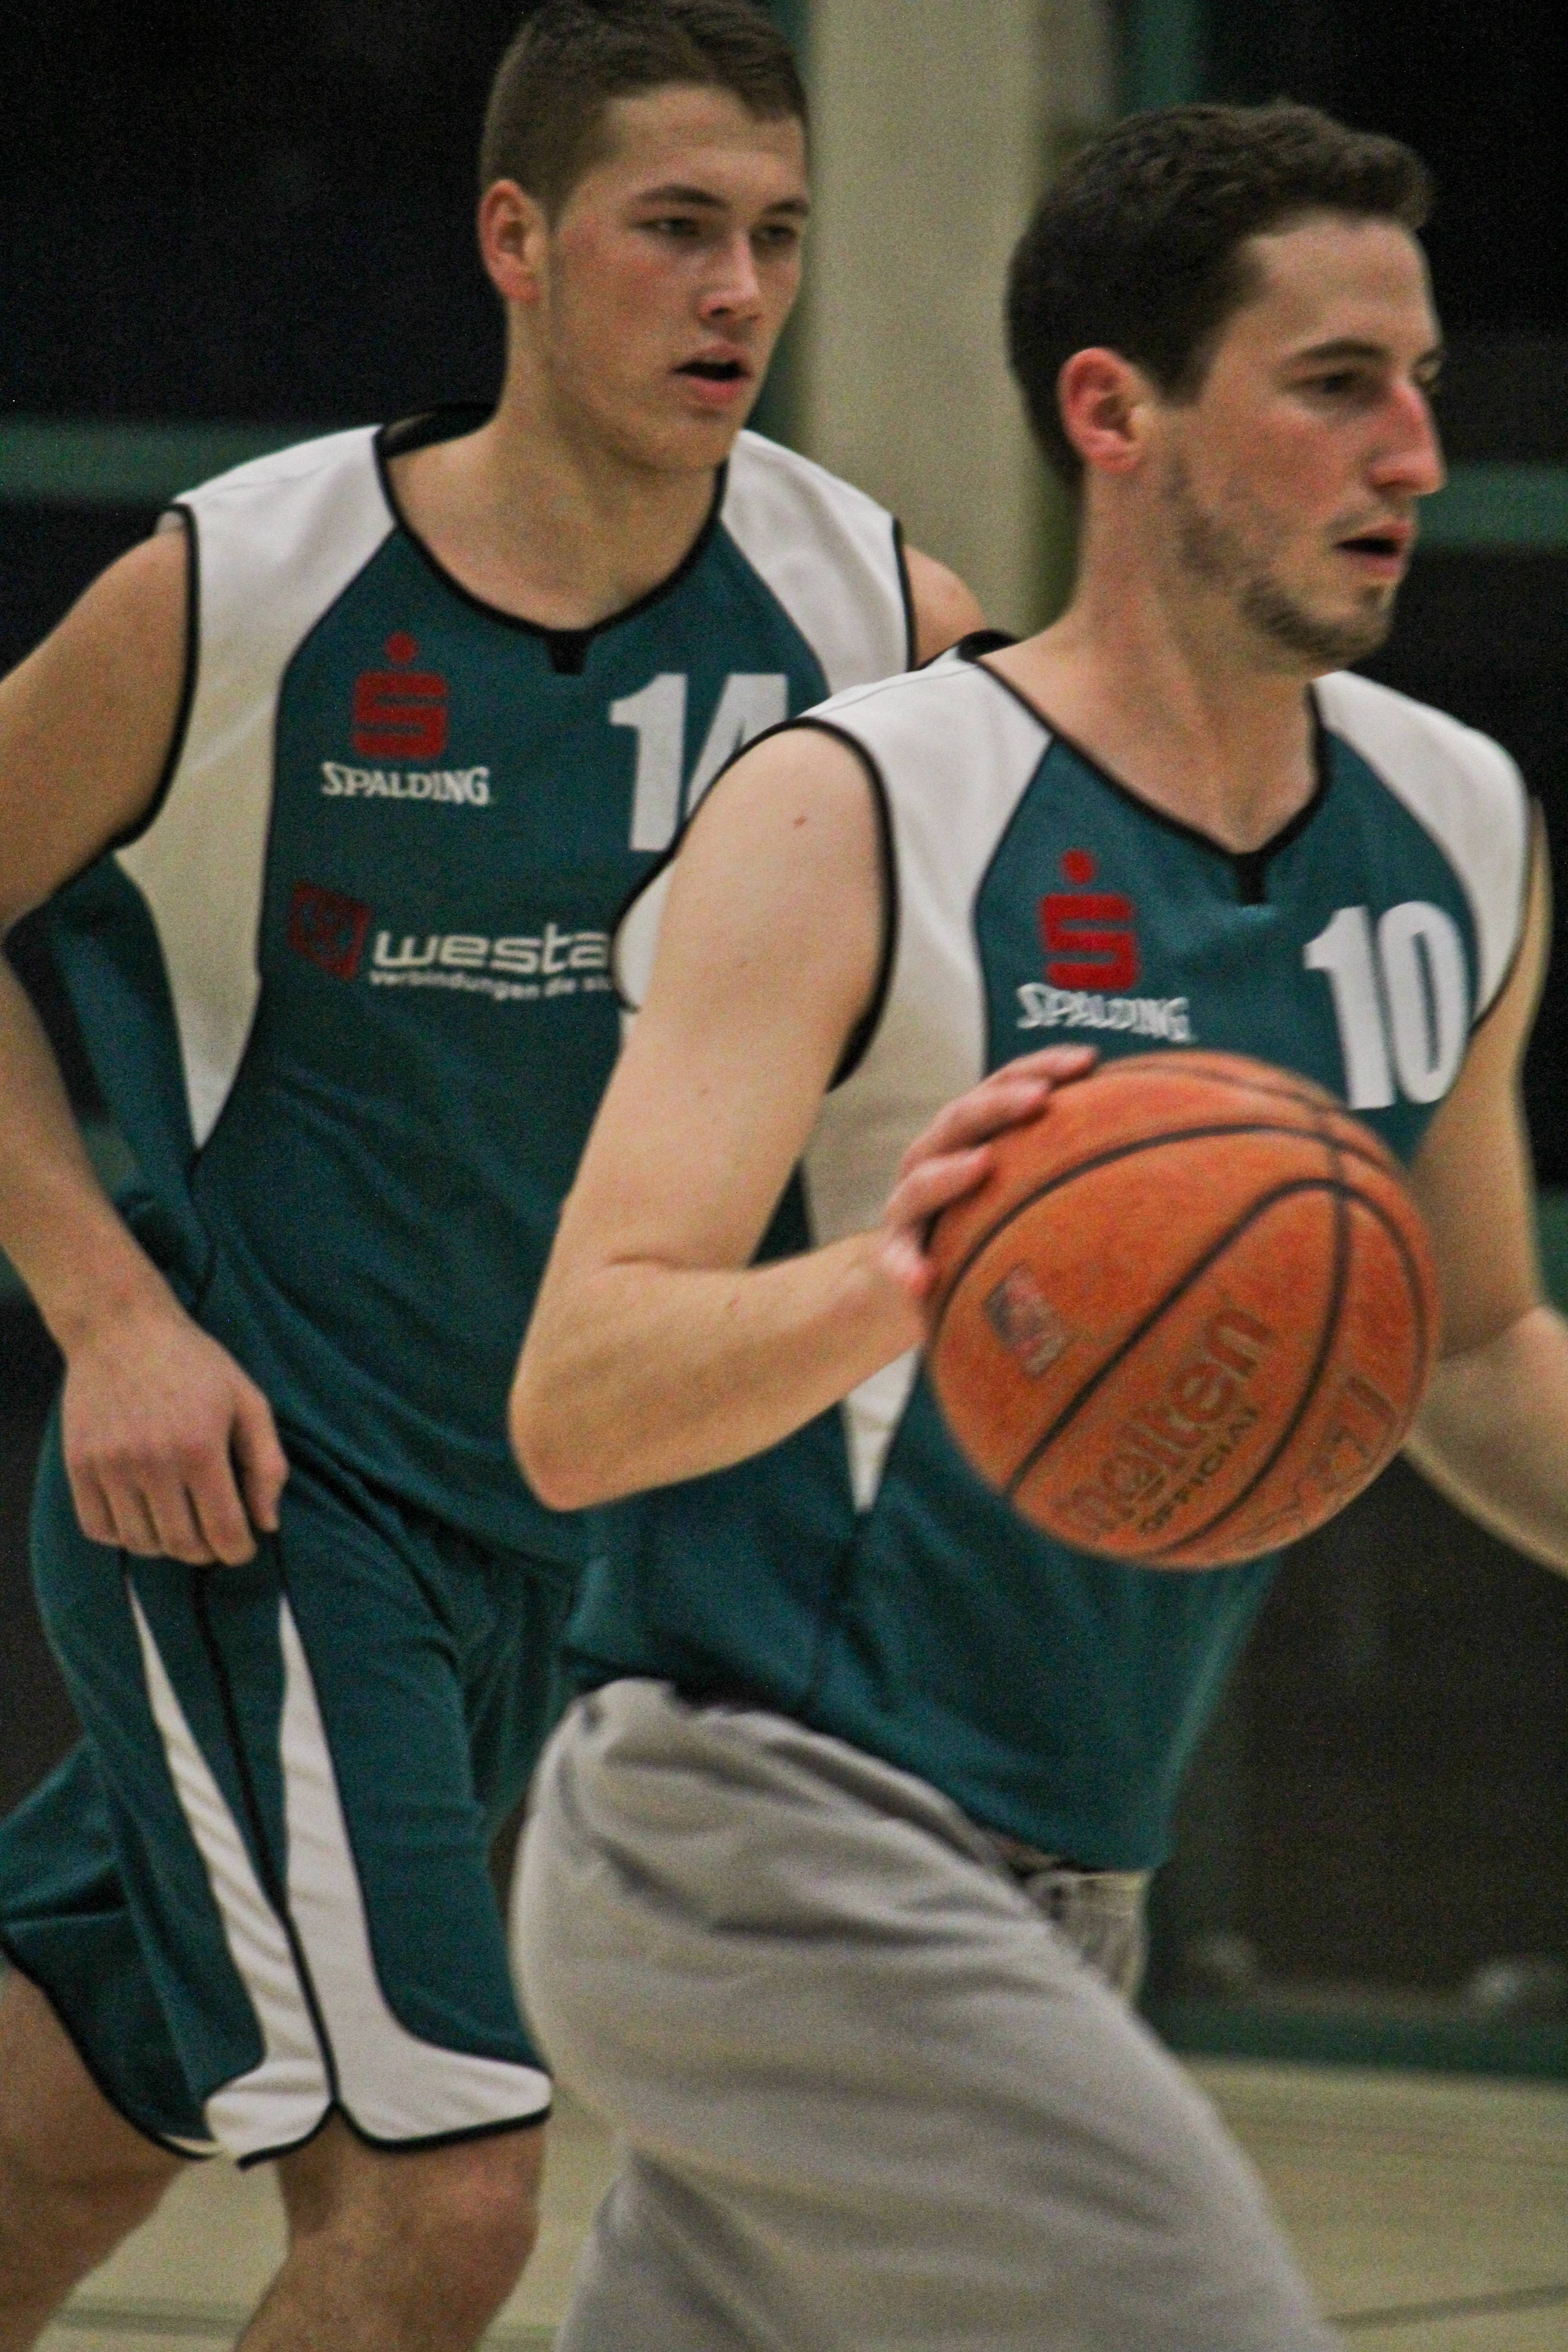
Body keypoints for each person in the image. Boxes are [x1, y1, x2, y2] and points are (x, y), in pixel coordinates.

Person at [509, 100, 1568, 2352]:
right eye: (1333, 384)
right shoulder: (861, 805)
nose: (1413, 450)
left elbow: (1477, 1352)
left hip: (1072, 1883)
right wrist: (906, 1278)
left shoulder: (1458, 823)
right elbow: (580, 1399)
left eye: (1420, 382)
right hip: (758, 1831)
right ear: (1116, 411)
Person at [0, 4, 981, 2346]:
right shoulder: (249, 586)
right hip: (261, 1492)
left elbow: (1061, 894)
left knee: (57, 2131)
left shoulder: (869, 613)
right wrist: (111, 1316)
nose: (737, 291)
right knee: (437, 2206)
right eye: (678, 229)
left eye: (778, 238)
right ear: (517, 241)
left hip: (563, 1543)